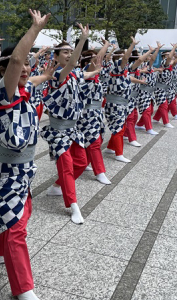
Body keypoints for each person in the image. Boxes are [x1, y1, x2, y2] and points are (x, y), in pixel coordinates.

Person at [0, 10, 54, 300]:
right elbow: (13, 60)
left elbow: (43, 74)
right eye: (20, 65)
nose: (24, 68)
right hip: (3, 173)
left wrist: (80, 43)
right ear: (4, 71)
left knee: (22, 215)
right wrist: (35, 30)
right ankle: (24, 290)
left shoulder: (27, 91)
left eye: (28, 64)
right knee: (16, 229)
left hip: (23, 171)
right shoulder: (3, 94)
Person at [41, 27, 101, 224]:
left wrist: (98, 65)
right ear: (56, 57)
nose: (68, 55)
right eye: (64, 52)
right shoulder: (57, 74)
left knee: (82, 163)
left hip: (74, 130)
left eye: (69, 51)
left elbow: (87, 74)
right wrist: (83, 38)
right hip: (58, 131)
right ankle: (73, 205)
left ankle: (57, 186)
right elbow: (74, 63)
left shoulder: (74, 74)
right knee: (66, 166)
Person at [77, 40, 111, 185]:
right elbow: (98, 59)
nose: (98, 62)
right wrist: (106, 45)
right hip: (86, 115)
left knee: (95, 140)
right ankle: (100, 172)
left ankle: (83, 163)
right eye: (94, 60)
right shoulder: (84, 74)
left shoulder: (95, 76)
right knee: (94, 142)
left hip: (96, 114)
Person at [104, 37, 139, 163]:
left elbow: (130, 77)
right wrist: (132, 45)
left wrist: (140, 81)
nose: (127, 59)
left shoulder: (122, 71)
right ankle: (119, 154)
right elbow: (125, 58)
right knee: (119, 129)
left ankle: (110, 148)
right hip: (115, 104)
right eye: (125, 57)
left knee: (119, 127)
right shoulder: (117, 68)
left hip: (120, 104)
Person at [136, 42, 163, 134]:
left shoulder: (149, 66)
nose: (151, 57)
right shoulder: (139, 65)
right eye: (149, 55)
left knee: (150, 110)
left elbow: (153, 59)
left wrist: (157, 49)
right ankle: (149, 128)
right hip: (142, 91)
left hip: (149, 92)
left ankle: (139, 125)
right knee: (147, 110)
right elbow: (152, 59)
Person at [152, 45, 177, 128]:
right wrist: (174, 47)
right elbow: (170, 58)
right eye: (168, 54)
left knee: (168, 103)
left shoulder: (169, 65)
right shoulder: (164, 63)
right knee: (164, 105)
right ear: (164, 56)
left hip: (168, 87)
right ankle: (166, 122)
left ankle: (153, 119)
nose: (170, 55)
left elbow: (174, 61)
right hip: (160, 89)